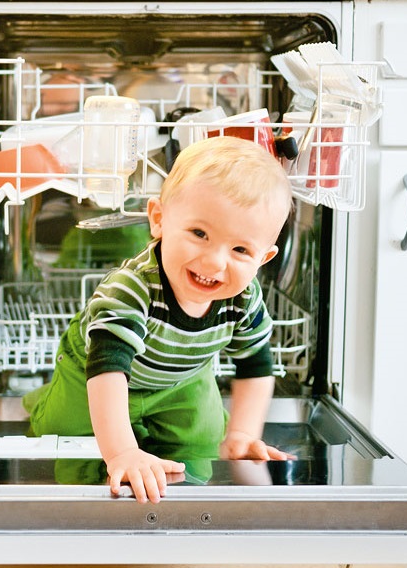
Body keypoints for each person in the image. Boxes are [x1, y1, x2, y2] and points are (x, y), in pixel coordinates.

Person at [22, 136, 295, 504]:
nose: (215, 262)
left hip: (181, 378)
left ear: (263, 258)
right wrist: (121, 454)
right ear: (159, 220)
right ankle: (45, 404)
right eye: (200, 234)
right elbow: (108, 369)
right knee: (65, 435)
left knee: (204, 439)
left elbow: (256, 364)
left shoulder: (245, 298)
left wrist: (242, 433)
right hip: (96, 372)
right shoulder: (131, 288)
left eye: (240, 249)